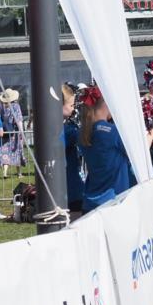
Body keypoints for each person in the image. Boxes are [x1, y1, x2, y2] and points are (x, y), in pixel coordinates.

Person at [79, 85, 151, 212]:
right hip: (113, 202)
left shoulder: (83, 132)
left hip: (90, 202)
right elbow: (139, 154)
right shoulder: (112, 132)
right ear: (106, 103)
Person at [61, 83, 85, 216]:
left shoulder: (69, 128)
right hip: (71, 189)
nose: (73, 108)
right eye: (70, 105)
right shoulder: (69, 131)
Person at [0, 88, 25, 178]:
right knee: (17, 151)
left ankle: (5, 172)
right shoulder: (16, 106)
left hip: (5, 131)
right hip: (15, 132)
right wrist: (22, 132)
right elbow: (19, 120)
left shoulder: (0, 106)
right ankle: (19, 173)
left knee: (5, 151)